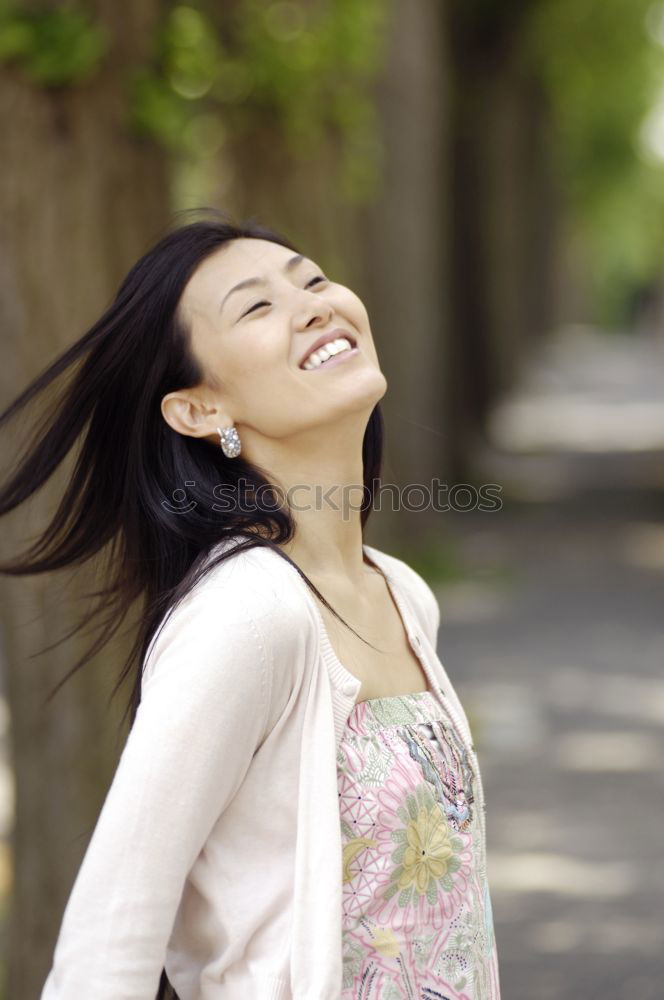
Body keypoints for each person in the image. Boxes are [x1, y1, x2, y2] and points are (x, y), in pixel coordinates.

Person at [0, 211, 501, 998]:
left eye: (311, 279)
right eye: (257, 307)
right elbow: (113, 931)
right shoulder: (249, 615)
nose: (313, 304)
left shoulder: (403, 595)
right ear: (199, 410)